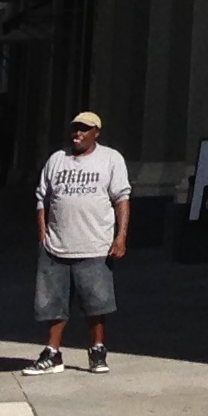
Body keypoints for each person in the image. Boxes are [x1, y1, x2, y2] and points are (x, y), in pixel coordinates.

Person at [30, 111, 131, 373]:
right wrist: (43, 234)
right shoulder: (57, 159)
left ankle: (97, 349)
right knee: (52, 304)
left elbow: (121, 199)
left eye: (85, 129)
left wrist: (121, 237)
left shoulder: (110, 159)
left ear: (96, 132)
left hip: (95, 245)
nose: (78, 134)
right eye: (75, 129)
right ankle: (52, 353)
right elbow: (42, 197)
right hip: (56, 246)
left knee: (96, 303)